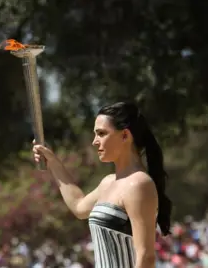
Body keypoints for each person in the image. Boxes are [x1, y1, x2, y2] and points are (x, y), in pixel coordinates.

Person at [32, 102, 172, 268]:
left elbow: (146, 256)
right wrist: (52, 161)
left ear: (125, 135)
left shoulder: (138, 184)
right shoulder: (108, 182)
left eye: (101, 133)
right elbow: (78, 206)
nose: (94, 142)